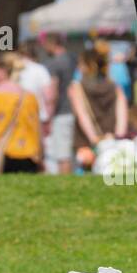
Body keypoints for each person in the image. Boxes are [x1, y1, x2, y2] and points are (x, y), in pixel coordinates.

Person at [69, 42, 127, 169]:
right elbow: (122, 114)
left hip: (86, 142)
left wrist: (94, 138)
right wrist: (117, 136)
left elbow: (82, 114)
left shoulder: (78, 87)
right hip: (111, 139)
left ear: (87, 65)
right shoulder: (114, 86)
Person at [40, 33, 77, 174]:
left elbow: (53, 93)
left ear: (51, 44)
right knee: (71, 153)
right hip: (76, 110)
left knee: (63, 155)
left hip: (61, 112)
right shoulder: (73, 59)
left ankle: (65, 186)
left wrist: (48, 116)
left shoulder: (54, 63)